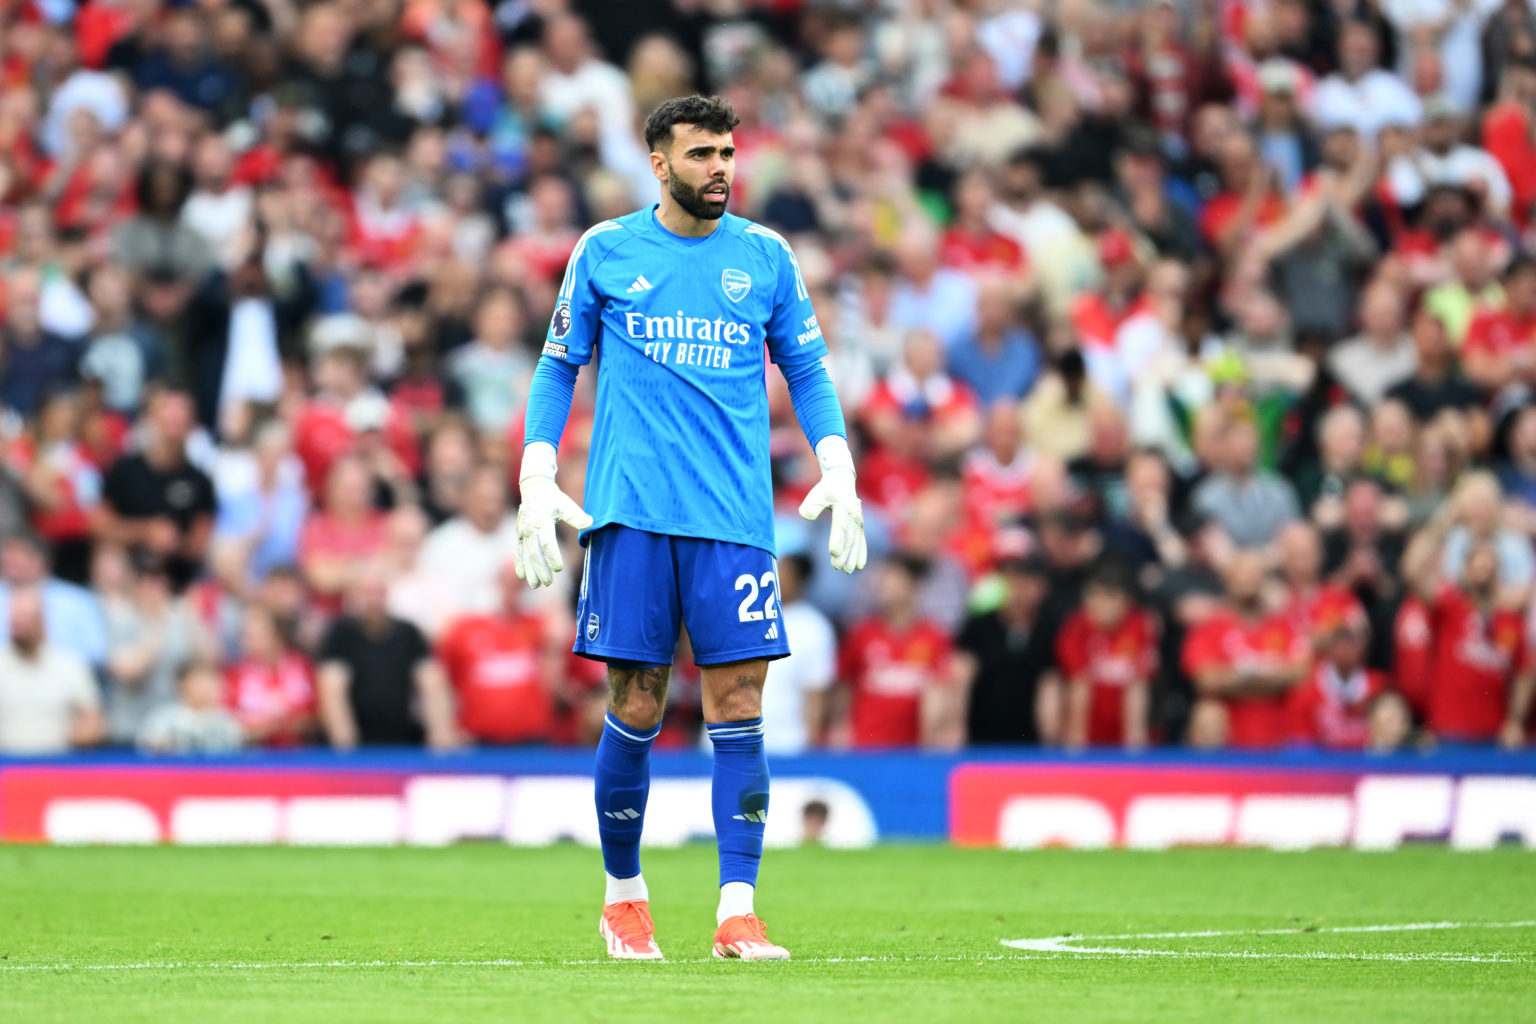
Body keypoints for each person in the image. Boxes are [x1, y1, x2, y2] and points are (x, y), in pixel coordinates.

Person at [512, 96, 865, 962]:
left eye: (728, 152)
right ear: (660, 164)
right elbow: (558, 367)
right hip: (631, 516)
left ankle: (737, 912)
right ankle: (624, 898)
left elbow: (808, 369)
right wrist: (534, 469)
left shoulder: (766, 256)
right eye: (701, 153)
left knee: (739, 706)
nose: (721, 167)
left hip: (736, 522)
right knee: (634, 704)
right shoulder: (605, 251)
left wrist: (838, 461)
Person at [1402, 498, 1534, 748]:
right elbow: (1412, 570)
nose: (1484, 567)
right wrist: (1446, 520)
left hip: (1493, 737)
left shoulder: (1510, 617)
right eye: (1477, 561)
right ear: (1465, 569)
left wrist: (1515, 721)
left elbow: (1525, 673)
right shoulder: (1450, 605)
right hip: (1446, 734)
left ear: (1499, 570)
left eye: (1490, 562)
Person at [316, 564, 460, 750]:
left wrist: (441, 734)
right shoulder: (340, 634)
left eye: (379, 593)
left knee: (433, 677)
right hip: (357, 739)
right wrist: (345, 745)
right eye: (367, 593)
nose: (374, 600)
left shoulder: (408, 632)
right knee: (332, 681)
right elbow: (331, 685)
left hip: (404, 734)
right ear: (354, 596)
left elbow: (430, 679)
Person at [1182, 549, 1311, 749]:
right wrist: (1271, 679)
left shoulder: (1285, 625)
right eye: (1240, 575)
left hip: (1281, 744)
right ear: (1227, 580)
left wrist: (1239, 678)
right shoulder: (1208, 627)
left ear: (1265, 580)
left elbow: (1300, 673)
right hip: (1226, 746)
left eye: (1253, 575)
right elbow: (1206, 680)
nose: (1246, 581)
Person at [93, 388, 217, 589]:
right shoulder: (125, 469)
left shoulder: (200, 481)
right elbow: (100, 525)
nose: (175, 417)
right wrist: (145, 531)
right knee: (109, 560)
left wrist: (173, 542)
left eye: (182, 412)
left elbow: (199, 543)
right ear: (151, 418)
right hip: (128, 572)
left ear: (193, 424)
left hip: (177, 580)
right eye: (168, 411)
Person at [836, 553, 959, 750]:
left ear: (914, 585)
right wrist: (840, 728)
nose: (885, 586)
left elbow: (944, 694)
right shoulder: (862, 635)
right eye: (883, 579)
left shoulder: (935, 638)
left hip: (912, 753)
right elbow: (844, 685)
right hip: (865, 749)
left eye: (893, 578)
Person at [435, 563, 557, 745]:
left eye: (518, 584)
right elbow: (444, 679)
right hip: (477, 739)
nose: (512, 590)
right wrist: (446, 729)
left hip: (530, 738)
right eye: (507, 582)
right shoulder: (464, 629)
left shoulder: (536, 625)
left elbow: (559, 643)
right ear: (496, 583)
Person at [1053, 561, 1157, 751]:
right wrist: (1077, 746)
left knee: (1137, 687)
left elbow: (1138, 684)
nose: (1099, 604)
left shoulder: (1140, 626)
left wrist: (1134, 745)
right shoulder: (1076, 627)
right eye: (1093, 595)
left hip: (1125, 728)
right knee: (1071, 686)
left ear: (1127, 601)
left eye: (1109, 596)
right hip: (1089, 729)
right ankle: (1075, 751)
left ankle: (1135, 752)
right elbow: (1078, 683)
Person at [956, 550, 1055, 746]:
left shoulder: (1049, 630)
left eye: (1026, 582)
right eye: (1011, 581)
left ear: (1042, 587)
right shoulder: (979, 626)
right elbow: (960, 681)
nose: (1018, 590)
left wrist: (1051, 740)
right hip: (980, 740)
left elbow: (1052, 686)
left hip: (1031, 743)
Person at [0, 585, 103, 755]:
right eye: (15, 621)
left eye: (27, 619)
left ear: (42, 621)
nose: (20, 628)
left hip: (57, 768)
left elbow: (94, 720)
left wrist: (80, 735)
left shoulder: (70, 665)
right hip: (5, 767)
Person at [758, 553, 836, 755]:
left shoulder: (814, 628)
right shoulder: (748, 615)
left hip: (788, 742)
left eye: (785, 572)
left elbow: (815, 691)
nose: (777, 577)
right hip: (735, 737)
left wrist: (810, 741)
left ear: (801, 581)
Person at [137, 661, 244, 754]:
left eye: (210, 681)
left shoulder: (227, 722)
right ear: (182, 685)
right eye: (198, 682)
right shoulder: (162, 720)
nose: (205, 687)